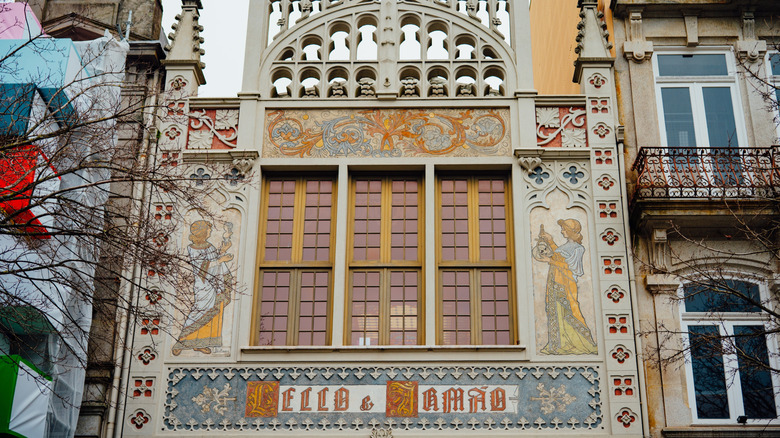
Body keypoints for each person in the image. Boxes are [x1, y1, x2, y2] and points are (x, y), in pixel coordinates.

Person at [532, 219, 597, 355]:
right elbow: (558, 256)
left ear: (571, 231)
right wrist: (550, 241)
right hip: (555, 281)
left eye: (564, 229)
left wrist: (550, 261)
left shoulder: (578, 249)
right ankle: (557, 344)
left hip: (566, 284)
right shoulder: (565, 246)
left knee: (571, 311)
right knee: (556, 312)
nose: (562, 231)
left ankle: (583, 343)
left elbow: (572, 268)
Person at [172, 220, 233, 355]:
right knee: (198, 312)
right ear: (202, 232)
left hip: (214, 283)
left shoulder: (209, 246)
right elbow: (201, 268)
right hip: (204, 285)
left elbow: (213, 258)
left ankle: (201, 343)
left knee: (214, 311)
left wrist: (222, 251)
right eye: (208, 230)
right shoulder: (192, 249)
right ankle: (181, 341)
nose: (210, 232)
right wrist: (221, 260)